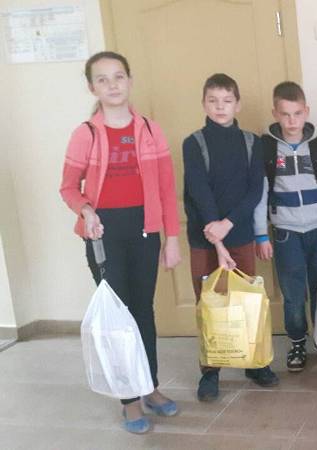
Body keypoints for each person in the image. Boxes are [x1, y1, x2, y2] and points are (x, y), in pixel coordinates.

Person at [59, 51, 181, 434]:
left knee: (143, 311)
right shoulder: (85, 134)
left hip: (144, 231)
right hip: (104, 234)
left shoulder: (150, 130)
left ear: (129, 80)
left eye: (118, 77)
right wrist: (86, 211)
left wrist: (172, 238)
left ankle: (150, 386)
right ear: (91, 87)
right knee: (118, 319)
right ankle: (130, 401)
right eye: (103, 79)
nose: (112, 85)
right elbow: (68, 188)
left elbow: (166, 189)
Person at [183, 73, 279, 403]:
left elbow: (255, 190)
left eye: (227, 100)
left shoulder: (252, 143)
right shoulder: (193, 143)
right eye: (213, 100)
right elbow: (199, 190)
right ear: (203, 104)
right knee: (209, 303)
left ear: (237, 104)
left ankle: (255, 363)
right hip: (204, 238)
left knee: (245, 301)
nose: (220, 107)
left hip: (239, 234)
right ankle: (210, 371)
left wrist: (228, 224)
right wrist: (216, 234)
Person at [254, 81, 317, 372]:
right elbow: (260, 194)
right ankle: (296, 343)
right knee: (293, 293)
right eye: (285, 114)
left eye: (297, 114)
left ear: (306, 111)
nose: (292, 121)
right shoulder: (267, 149)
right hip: (286, 233)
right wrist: (260, 234)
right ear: (275, 114)